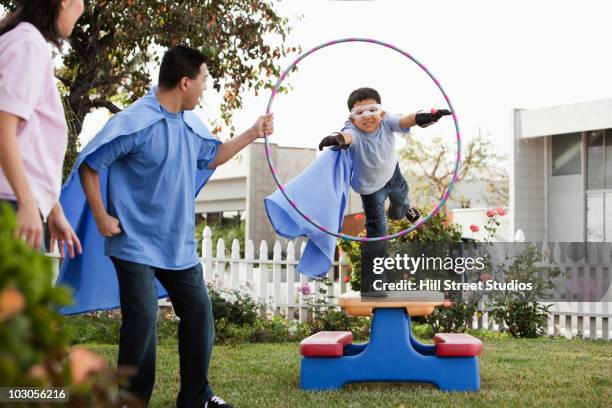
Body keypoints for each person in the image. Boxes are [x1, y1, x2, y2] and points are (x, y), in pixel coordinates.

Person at [78, 45, 272, 408]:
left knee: (199, 314)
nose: (204, 89)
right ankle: (132, 399)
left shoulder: (188, 123)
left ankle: (196, 397)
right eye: (203, 81)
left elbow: (213, 155)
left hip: (177, 244)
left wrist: (251, 132)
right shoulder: (135, 122)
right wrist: (101, 215)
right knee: (143, 320)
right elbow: (90, 164)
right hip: (133, 241)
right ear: (185, 82)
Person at [318, 87, 450, 293]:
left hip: (392, 175)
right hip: (370, 190)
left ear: (381, 112)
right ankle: (374, 283)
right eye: (359, 113)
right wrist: (337, 139)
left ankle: (403, 209)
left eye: (372, 110)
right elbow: (346, 137)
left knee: (401, 202)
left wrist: (423, 117)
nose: (367, 117)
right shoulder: (352, 131)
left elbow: (404, 121)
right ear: (352, 119)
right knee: (378, 232)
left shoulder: (387, 122)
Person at [0, 0, 83, 256]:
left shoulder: (17, 40)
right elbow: (4, 129)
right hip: (10, 203)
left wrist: (52, 207)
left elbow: (29, 145)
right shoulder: (28, 44)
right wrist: (27, 202)